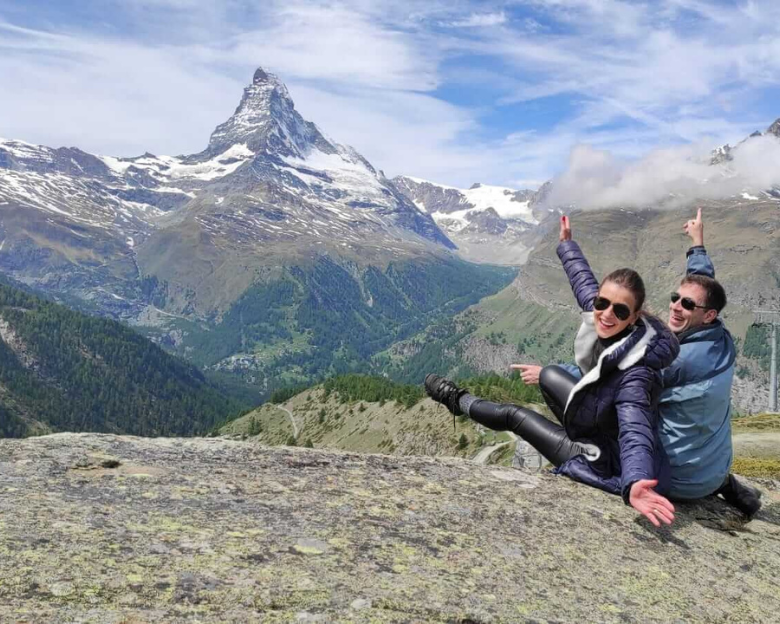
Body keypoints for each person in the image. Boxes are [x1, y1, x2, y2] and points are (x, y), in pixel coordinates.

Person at [425, 216, 680, 527]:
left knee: (514, 416)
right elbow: (583, 284)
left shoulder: (637, 372)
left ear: (635, 316)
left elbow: (635, 427)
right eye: (602, 302)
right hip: (600, 430)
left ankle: (457, 400)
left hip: (606, 463)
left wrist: (636, 481)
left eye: (620, 310)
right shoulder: (616, 322)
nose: (606, 314)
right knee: (549, 374)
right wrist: (566, 245)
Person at [518, 209, 761, 518]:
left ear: (707, 314)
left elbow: (606, 378)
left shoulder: (671, 363)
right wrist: (697, 245)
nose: (676, 306)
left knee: (575, 394)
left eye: (686, 304)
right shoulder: (720, 337)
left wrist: (548, 372)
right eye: (675, 297)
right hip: (714, 471)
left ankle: (592, 457)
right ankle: (731, 489)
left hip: (671, 478)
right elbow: (703, 284)